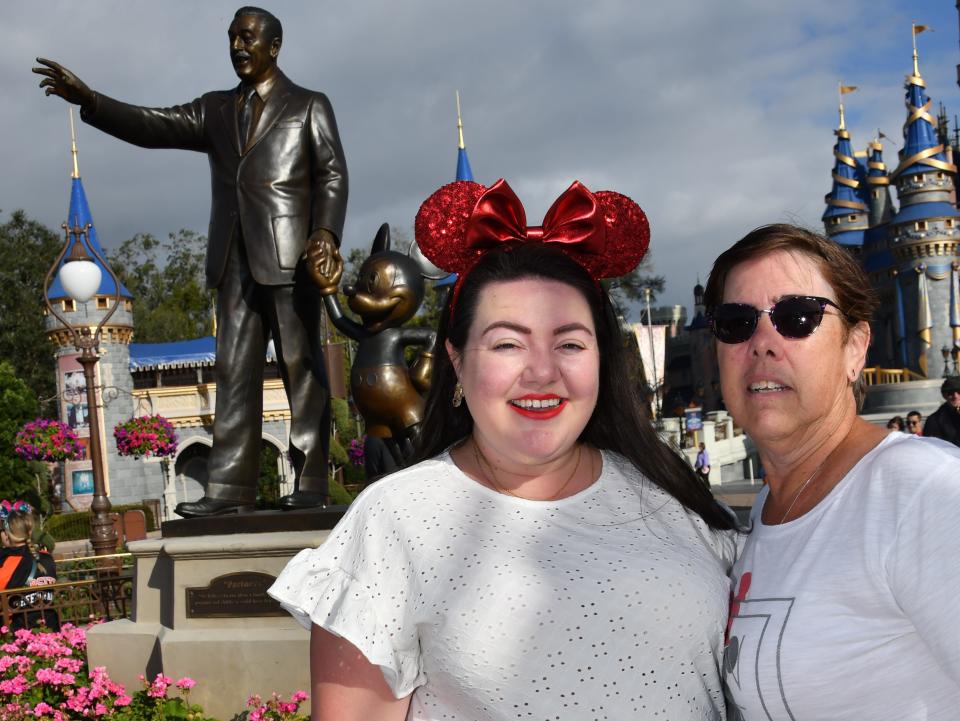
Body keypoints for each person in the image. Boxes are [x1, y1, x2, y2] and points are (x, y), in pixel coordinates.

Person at [269, 179, 739, 720]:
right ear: (457, 360)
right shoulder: (394, 520)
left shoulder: (673, 496)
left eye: (569, 343)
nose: (542, 371)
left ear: (602, 360)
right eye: (507, 344)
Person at [33, 6, 348, 516]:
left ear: (275, 44)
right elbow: (151, 125)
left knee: (301, 366)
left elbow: (332, 174)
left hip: (292, 258)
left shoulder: (309, 105)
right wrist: (91, 101)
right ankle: (229, 490)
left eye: (248, 37)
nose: (238, 47)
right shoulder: (215, 109)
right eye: (231, 38)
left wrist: (326, 235)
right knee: (233, 371)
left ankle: (310, 480)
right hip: (232, 259)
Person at [706, 224, 960, 720]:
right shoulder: (768, 508)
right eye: (735, 323)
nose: (762, 343)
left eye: (797, 317)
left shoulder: (922, 490)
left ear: (855, 348)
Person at [0, 503, 59, 632]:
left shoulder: (8, 561)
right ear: (30, 531)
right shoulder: (47, 558)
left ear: (7, 534)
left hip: (20, 633)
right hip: (51, 627)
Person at [923, 377, 960, 446]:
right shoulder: (934, 421)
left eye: (959, 392)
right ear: (944, 395)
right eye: (950, 393)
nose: (955, 396)